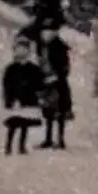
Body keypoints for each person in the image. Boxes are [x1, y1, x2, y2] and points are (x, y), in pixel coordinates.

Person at [0, 36, 46, 156]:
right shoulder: (11, 69)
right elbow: (7, 85)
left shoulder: (33, 69)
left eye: (24, 49)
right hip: (16, 100)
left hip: (28, 100)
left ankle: (21, 145)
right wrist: (9, 99)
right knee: (14, 123)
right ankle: (8, 145)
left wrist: (38, 93)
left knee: (25, 122)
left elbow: (39, 83)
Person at [31, 17, 73, 149]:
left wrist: (56, 76)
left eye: (49, 30)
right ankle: (48, 138)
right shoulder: (42, 46)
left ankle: (60, 140)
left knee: (59, 112)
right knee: (48, 111)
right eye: (45, 30)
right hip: (46, 82)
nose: (46, 33)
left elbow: (65, 68)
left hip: (58, 84)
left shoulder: (59, 47)